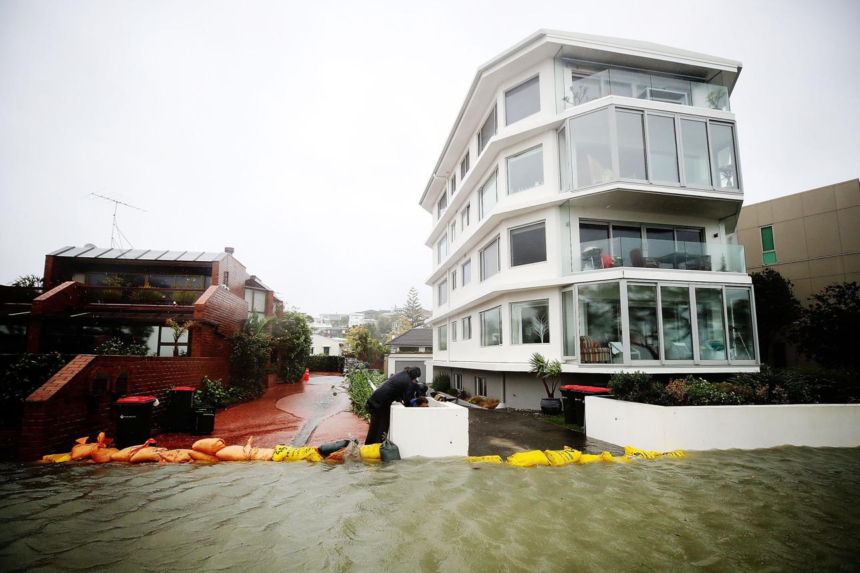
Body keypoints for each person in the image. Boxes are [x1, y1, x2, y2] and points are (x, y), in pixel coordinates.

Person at [364, 367, 421, 444]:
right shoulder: (408, 382)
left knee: (374, 425)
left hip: (375, 399)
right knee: (384, 425)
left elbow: (395, 389)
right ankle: (379, 446)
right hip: (383, 403)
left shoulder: (400, 373)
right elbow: (407, 400)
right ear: (414, 376)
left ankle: (368, 445)